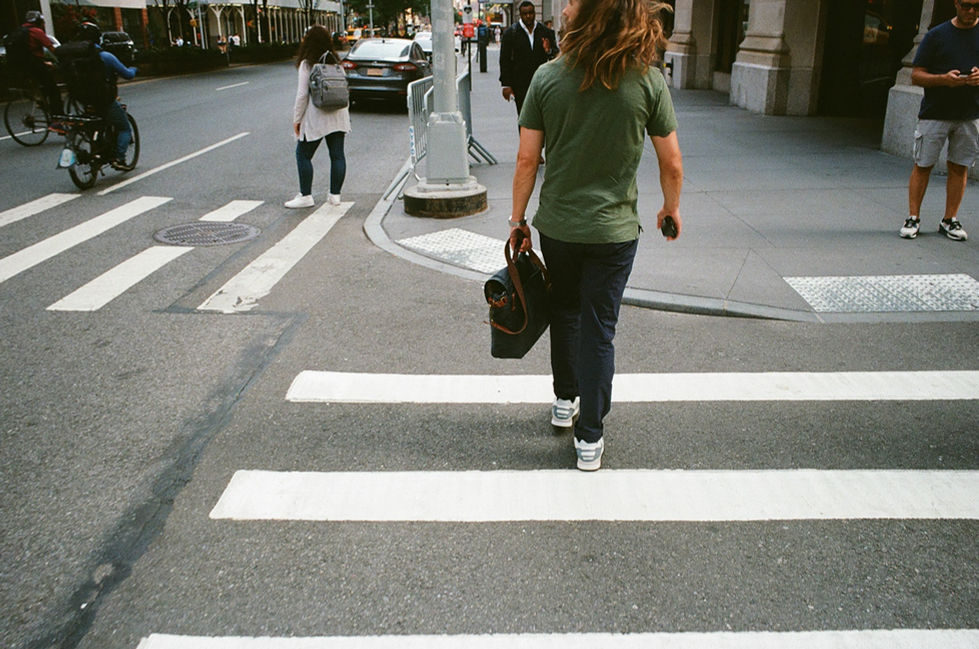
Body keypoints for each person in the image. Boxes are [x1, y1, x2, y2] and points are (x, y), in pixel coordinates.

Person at [508, 0, 682, 471]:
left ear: (589, 13)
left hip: (559, 227)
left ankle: (565, 401)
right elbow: (672, 162)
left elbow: (527, 161)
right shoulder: (646, 79)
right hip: (614, 231)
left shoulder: (547, 77)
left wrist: (517, 221)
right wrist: (670, 208)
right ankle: (590, 438)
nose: (564, 6)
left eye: (572, 0)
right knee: (599, 329)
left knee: (565, 312)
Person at [901, 0, 979, 242]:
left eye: (977, 6)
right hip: (936, 112)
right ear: (956, 3)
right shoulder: (937, 35)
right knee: (923, 164)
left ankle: (949, 219)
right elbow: (916, 75)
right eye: (966, 5)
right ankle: (913, 217)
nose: (971, 11)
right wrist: (944, 79)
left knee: (960, 166)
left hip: (970, 113)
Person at [286, 24, 350, 209]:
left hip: (317, 115)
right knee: (337, 155)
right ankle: (335, 196)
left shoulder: (307, 64)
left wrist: (297, 120)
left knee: (303, 154)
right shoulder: (336, 62)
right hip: (339, 114)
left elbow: (302, 95)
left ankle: (306, 196)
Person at [65, 22, 138, 170]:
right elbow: (128, 74)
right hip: (104, 100)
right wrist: (134, 68)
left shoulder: (71, 58)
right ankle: (119, 158)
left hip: (82, 100)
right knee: (124, 128)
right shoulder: (105, 57)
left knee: (93, 125)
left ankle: (96, 151)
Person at [499, 1, 557, 117]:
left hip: (542, 82)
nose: (528, 16)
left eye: (531, 13)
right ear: (520, 15)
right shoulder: (511, 33)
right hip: (520, 84)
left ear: (534, 13)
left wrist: (549, 50)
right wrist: (506, 85)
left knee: (543, 116)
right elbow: (504, 60)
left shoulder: (545, 32)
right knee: (524, 116)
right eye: (525, 13)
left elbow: (555, 55)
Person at [17, 11, 62, 115]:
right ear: (39, 22)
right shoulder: (37, 31)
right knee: (54, 90)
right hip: (35, 65)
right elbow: (52, 49)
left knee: (43, 84)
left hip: (21, 67)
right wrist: (63, 59)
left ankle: (41, 100)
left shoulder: (19, 31)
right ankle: (58, 117)